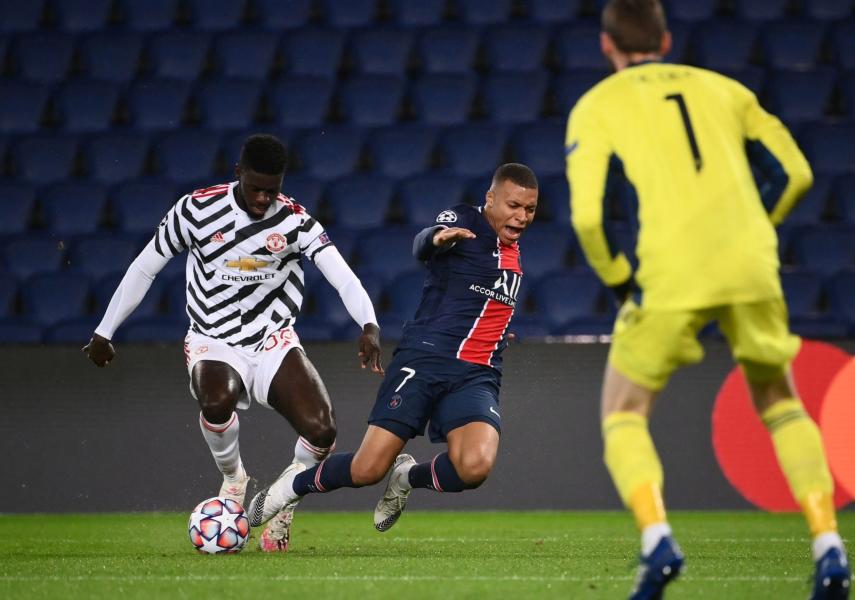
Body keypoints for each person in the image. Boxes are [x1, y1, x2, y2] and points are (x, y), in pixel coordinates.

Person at [564, 1, 851, 598]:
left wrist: (621, 281)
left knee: (624, 410)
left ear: (606, 45)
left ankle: (658, 540)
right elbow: (797, 172)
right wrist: (756, 230)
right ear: (665, 39)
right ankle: (829, 546)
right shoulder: (724, 88)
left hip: (671, 270)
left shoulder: (598, 105)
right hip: (752, 262)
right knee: (779, 400)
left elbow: (589, 219)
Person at [83, 134, 383, 553]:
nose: (263, 198)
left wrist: (368, 323)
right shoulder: (196, 210)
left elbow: (343, 276)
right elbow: (145, 267)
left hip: (271, 338)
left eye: (272, 190)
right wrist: (104, 330)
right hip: (213, 337)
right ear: (237, 173)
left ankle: (281, 504)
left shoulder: (294, 220)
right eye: (255, 187)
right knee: (216, 400)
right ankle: (234, 479)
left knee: (323, 431)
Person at [246, 163, 538, 533]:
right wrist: (436, 239)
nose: (522, 216)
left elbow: (479, 299)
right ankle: (291, 486)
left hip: (476, 373)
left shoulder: (513, 253)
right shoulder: (464, 220)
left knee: (475, 467)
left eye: (529, 209)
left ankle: (407, 478)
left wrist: (498, 330)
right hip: (425, 359)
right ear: (491, 199)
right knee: (367, 470)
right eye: (514, 206)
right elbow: (423, 242)